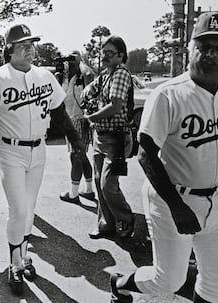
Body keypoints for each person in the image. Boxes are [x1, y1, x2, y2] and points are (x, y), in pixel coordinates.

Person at [109, 12, 218, 303]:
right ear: (190, 48)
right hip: (171, 199)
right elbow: (145, 154)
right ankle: (120, 282)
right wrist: (177, 206)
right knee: (169, 278)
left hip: (215, 201)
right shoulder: (168, 95)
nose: (210, 54)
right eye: (204, 46)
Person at [0, 24, 84, 295]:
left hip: (39, 149)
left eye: (31, 43)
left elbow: (58, 112)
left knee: (29, 209)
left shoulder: (44, 75)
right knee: (19, 210)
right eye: (23, 45)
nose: (30, 48)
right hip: (9, 151)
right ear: (9, 50)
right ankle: (14, 264)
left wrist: (75, 139)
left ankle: (23, 254)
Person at [81, 36, 135, 240]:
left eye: (110, 53)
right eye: (103, 52)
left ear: (121, 55)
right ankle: (106, 224)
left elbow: (116, 106)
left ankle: (126, 218)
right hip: (100, 136)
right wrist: (89, 94)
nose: (104, 56)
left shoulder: (120, 73)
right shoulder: (106, 74)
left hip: (115, 137)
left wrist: (91, 116)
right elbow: (88, 91)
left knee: (108, 185)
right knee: (97, 181)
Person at [59, 50, 96, 203]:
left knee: (75, 156)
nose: (69, 63)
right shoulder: (66, 77)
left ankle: (73, 194)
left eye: (72, 61)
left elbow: (90, 74)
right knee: (81, 156)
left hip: (80, 120)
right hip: (70, 120)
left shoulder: (84, 76)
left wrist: (80, 61)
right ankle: (88, 189)